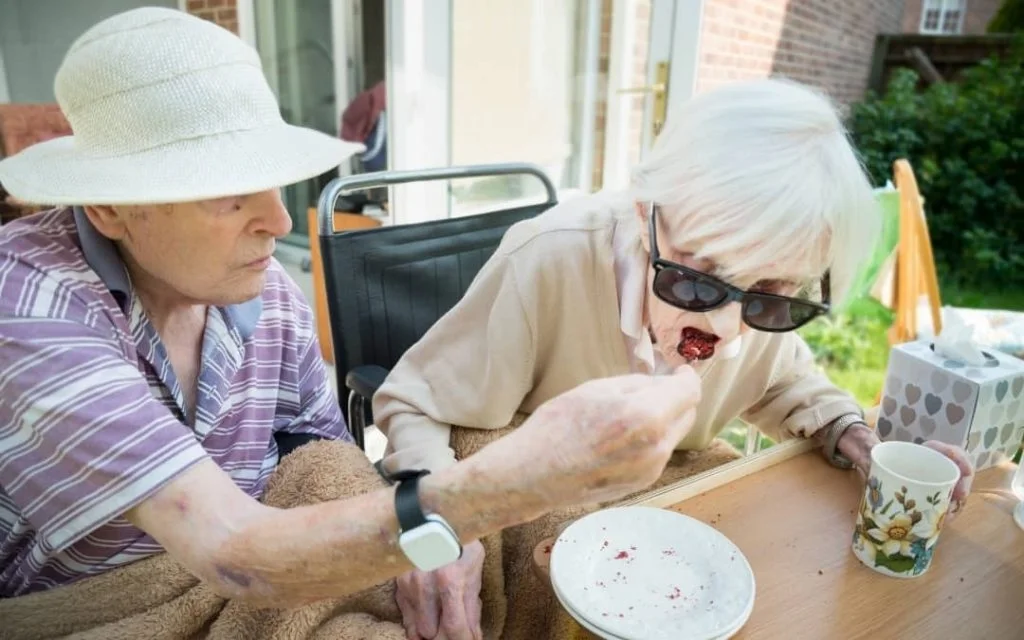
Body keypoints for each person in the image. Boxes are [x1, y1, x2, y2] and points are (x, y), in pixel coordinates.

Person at [0, 6, 705, 611]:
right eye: (226, 192)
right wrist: (512, 483)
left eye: (274, 184)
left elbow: (317, 446)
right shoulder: (28, 311)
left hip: (264, 555)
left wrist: (430, 539)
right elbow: (232, 551)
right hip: (105, 599)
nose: (278, 221)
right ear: (110, 206)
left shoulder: (266, 290)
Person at [372, 78, 977, 638]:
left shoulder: (758, 297)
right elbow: (413, 402)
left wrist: (861, 442)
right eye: (697, 280)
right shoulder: (548, 260)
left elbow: (785, 380)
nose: (724, 324)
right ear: (645, 215)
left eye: (770, 298)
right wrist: (434, 529)